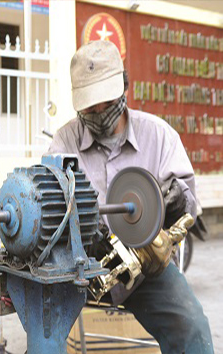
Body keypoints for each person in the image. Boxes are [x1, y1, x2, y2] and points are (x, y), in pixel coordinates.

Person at [48, 40, 213, 353]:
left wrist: (177, 200)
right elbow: (49, 203)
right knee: (44, 336)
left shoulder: (159, 136)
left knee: (192, 328)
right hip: (77, 270)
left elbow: (189, 199)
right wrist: (82, 231)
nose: (98, 114)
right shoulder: (63, 142)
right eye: (89, 108)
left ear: (124, 89)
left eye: (105, 104)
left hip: (144, 274)